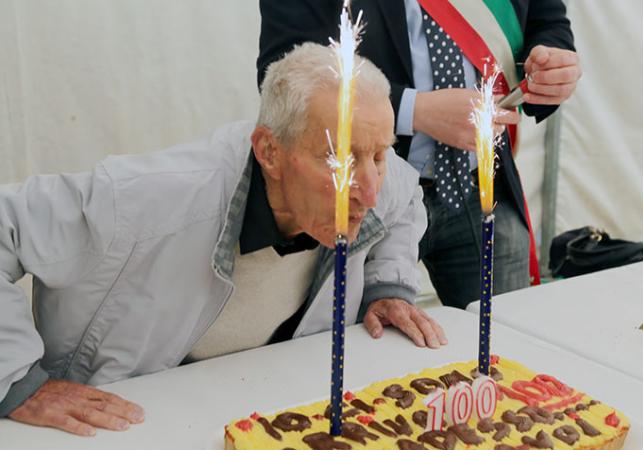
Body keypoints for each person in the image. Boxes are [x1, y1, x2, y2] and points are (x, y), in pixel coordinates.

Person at [0, 42, 446, 436]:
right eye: (338, 160)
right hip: (125, 426)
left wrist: (387, 286)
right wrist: (18, 382)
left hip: (261, 408)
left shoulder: (375, 181)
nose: (369, 190)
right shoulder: (142, 200)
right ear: (269, 151)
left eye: (380, 154)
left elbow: (403, 201)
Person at [258, 0, 582, 309]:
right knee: (364, 352)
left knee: (504, 346)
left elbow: (547, 19)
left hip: (481, 183)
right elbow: (285, 69)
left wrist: (553, 66)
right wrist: (415, 110)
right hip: (367, 193)